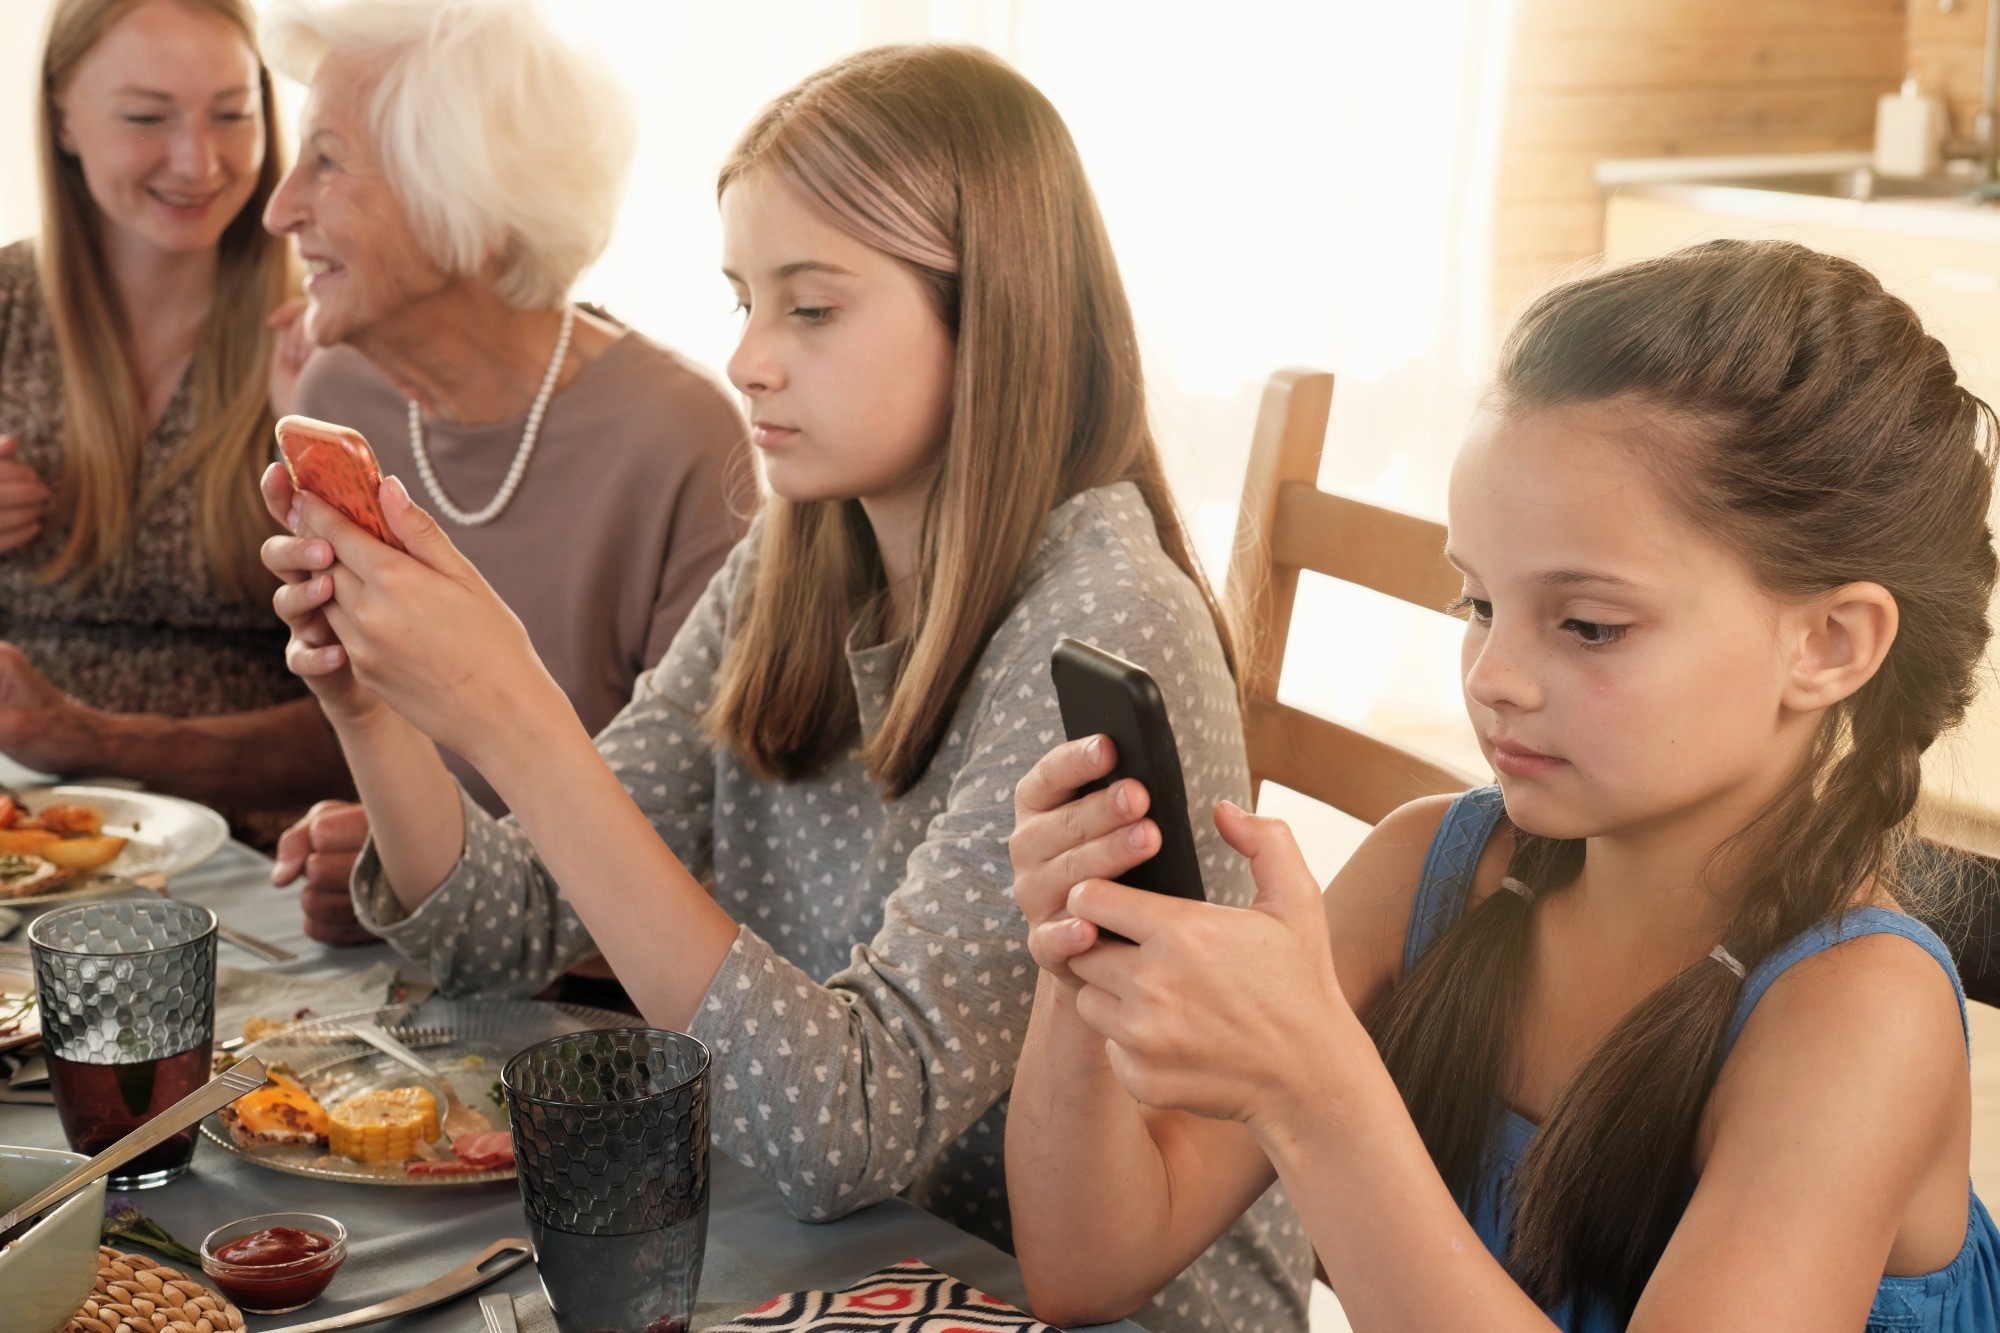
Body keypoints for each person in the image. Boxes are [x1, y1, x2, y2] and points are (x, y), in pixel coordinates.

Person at [259, 44, 1312, 1333]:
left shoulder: (1101, 622)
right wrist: (374, 708)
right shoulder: (803, 550)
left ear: (995, 318)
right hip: (849, 1271)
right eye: (741, 300)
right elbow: (502, 931)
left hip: (1056, 1303)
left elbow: (845, 1129)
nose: (749, 359)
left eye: (809, 309)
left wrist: (515, 714)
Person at [1005, 240, 2000, 1331]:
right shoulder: (1425, 871)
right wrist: (1080, 942)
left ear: (1827, 641)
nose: (1494, 678)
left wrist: (1316, 1090)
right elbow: (1085, 1262)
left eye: (1586, 625)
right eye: (1476, 605)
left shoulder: (1857, 1016)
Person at [253, 0, 748, 937]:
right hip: (427, 974)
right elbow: (360, 721)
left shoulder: (681, 437)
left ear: (465, 198)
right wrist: (390, 857)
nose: (280, 207)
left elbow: (705, 835)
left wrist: (425, 876)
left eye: (327, 159)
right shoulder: (336, 398)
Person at [0, 0, 332, 829]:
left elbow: (388, 688)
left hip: (257, 831)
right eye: (147, 117)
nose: (200, 161)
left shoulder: (323, 336)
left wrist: (325, 463)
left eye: (233, 113)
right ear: (59, 120)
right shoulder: (7, 308)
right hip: (25, 820)